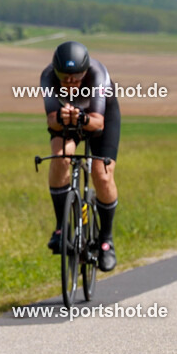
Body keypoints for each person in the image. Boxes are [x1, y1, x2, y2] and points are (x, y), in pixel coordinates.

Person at [41, 41, 120, 271]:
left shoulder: (97, 75)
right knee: (60, 157)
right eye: (64, 77)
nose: (70, 82)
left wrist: (81, 118)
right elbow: (51, 120)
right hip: (68, 120)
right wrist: (62, 117)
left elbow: (98, 122)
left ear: (85, 72)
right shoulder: (47, 77)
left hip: (100, 118)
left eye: (76, 77)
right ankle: (60, 228)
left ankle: (106, 240)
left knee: (102, 175)